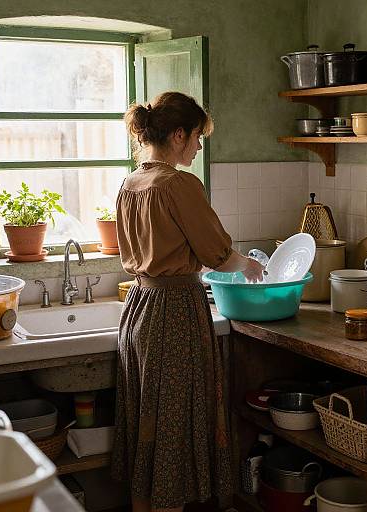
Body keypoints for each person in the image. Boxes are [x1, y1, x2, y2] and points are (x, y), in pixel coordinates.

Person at [111, 91, 264, 512]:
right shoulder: (178, 184)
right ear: (178, 135)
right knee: (173, 426)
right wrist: (247, 266)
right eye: (197, 137)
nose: (198, 147)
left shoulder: (131, 182)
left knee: (149, 422)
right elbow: (216, 251)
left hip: (139, 309)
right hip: (174, 313)